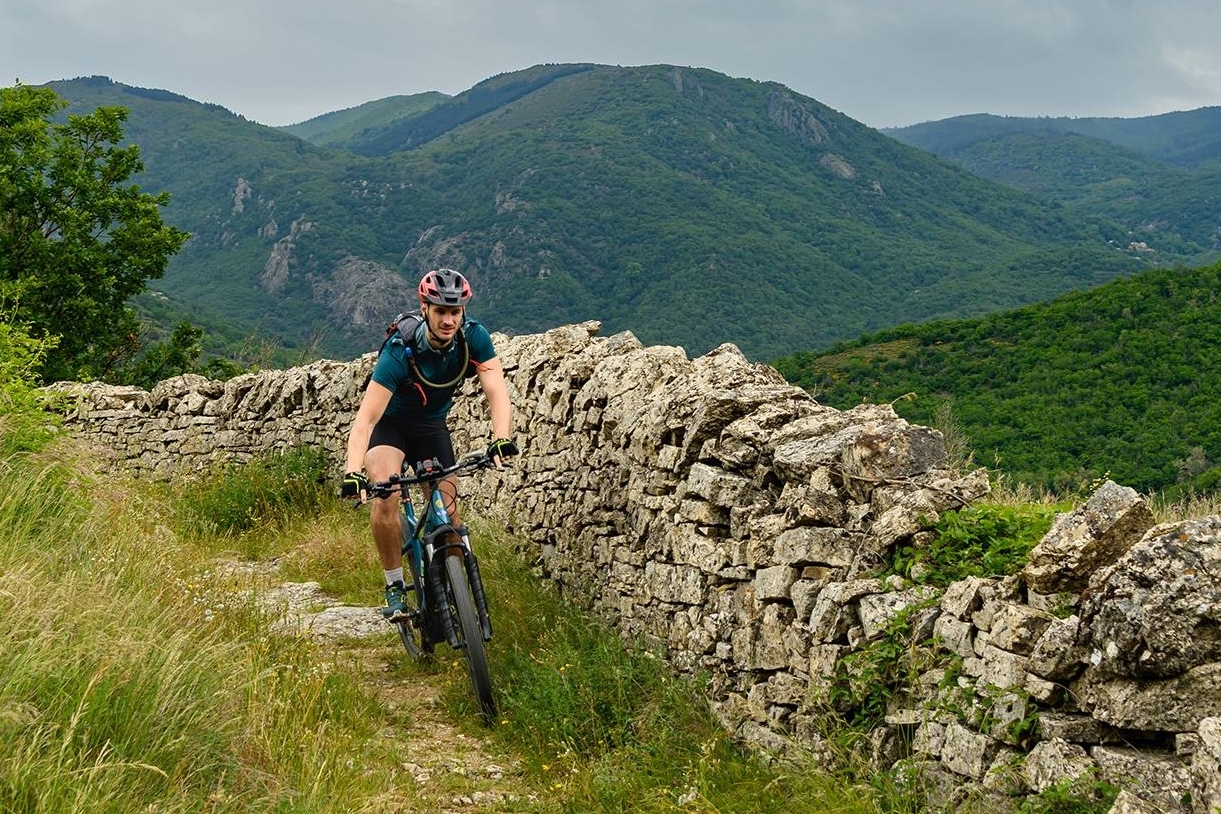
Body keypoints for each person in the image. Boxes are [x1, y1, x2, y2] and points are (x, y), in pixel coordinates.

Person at [340, 268, 518, 621]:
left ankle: (456, 593)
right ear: (424, 309)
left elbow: (497, 393)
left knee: (449, 515)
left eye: (455, 312)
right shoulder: (399, 350)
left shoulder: (475, 339)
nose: (448, 320)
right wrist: (353, 471)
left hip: (432, 428)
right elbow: (366, 419)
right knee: (387, 495)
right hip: (391, 427)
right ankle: (394, 585)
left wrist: (501, 438)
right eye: (440, 311)